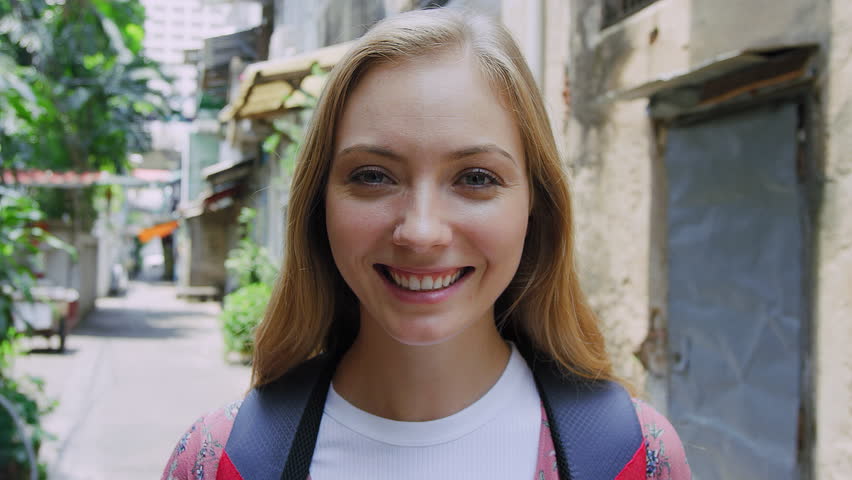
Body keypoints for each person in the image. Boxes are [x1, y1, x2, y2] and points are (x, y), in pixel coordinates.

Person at [162, 7, 690, 480]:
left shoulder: (635, 460)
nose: (420, 230)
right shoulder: (217, 461)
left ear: (537, 204)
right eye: (373, 176)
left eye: (476, 178)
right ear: (318, 202)